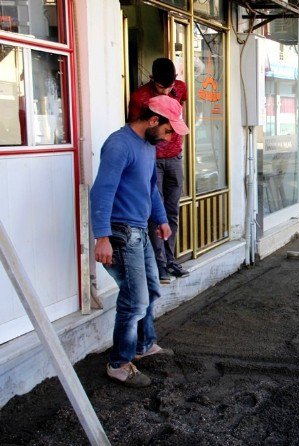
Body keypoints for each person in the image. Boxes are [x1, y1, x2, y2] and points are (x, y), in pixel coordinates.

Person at [90, 95, 190, 387]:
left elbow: (150, 188)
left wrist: (160, 220)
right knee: (135, 300)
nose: (169, 138)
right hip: (120, 232)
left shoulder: (148, 146)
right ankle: (119, 364)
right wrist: (102, 238)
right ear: (153, 120)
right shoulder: (120, 145)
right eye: (169, 130)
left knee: (152, 289)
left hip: (139, 230)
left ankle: (145, 345)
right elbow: (102, 191)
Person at [128, 58, 189, 284]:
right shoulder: (140, 97)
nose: (167, 90)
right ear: (153, 80)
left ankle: (170, 258)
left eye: (170, 86)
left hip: (175, 157)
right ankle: (159, 264)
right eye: (162, 87)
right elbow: (136, 129)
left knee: (172, 210)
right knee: (156, 211)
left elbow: (180, 112)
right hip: (152, 158)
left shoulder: (180, 88)